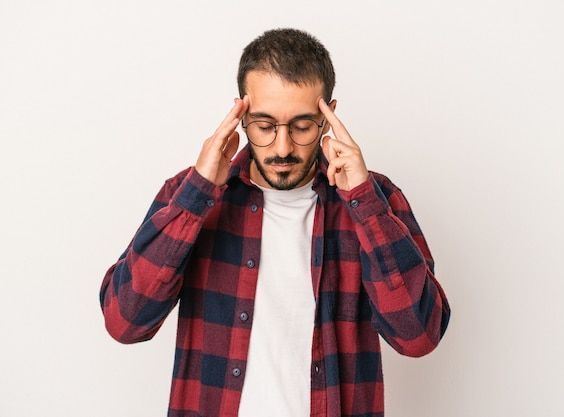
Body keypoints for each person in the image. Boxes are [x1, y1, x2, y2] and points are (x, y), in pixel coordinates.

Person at [100, 28, 450, 417]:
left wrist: (364, 203)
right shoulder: (189, 196)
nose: (283, 147)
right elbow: (124, 321)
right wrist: (197, 194)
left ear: (328, 116)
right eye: (265, 126)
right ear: (241, 114)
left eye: (301, 127)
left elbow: (418, 337)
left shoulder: (375, 199)